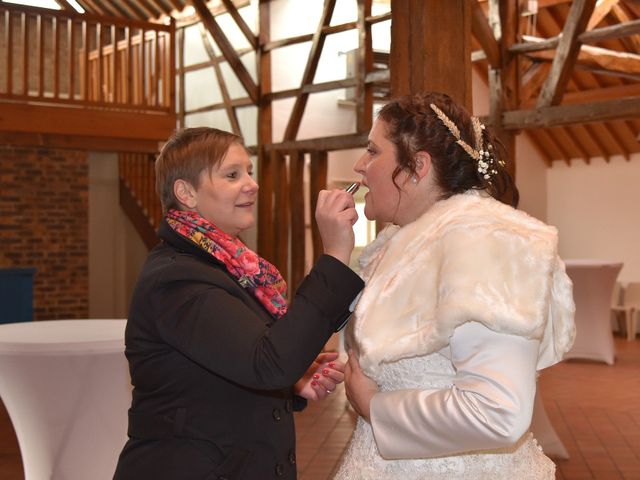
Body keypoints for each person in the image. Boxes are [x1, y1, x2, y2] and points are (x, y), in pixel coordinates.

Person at [334, 92, 576, 479]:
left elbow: (497, 412)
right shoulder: (403, 244)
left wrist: (375, 406)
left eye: (372, 151)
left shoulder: (483, 240)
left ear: (417, 167)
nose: (359, 166)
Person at [113, 127, 364, 480]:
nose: (252, 184)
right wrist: (335, 255)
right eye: (232, 175)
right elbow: (267, 363)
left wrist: (292, 381)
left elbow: (240, 358)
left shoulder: (233, 268)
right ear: (186, 192)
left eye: (249, 171)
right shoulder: (177, 278)